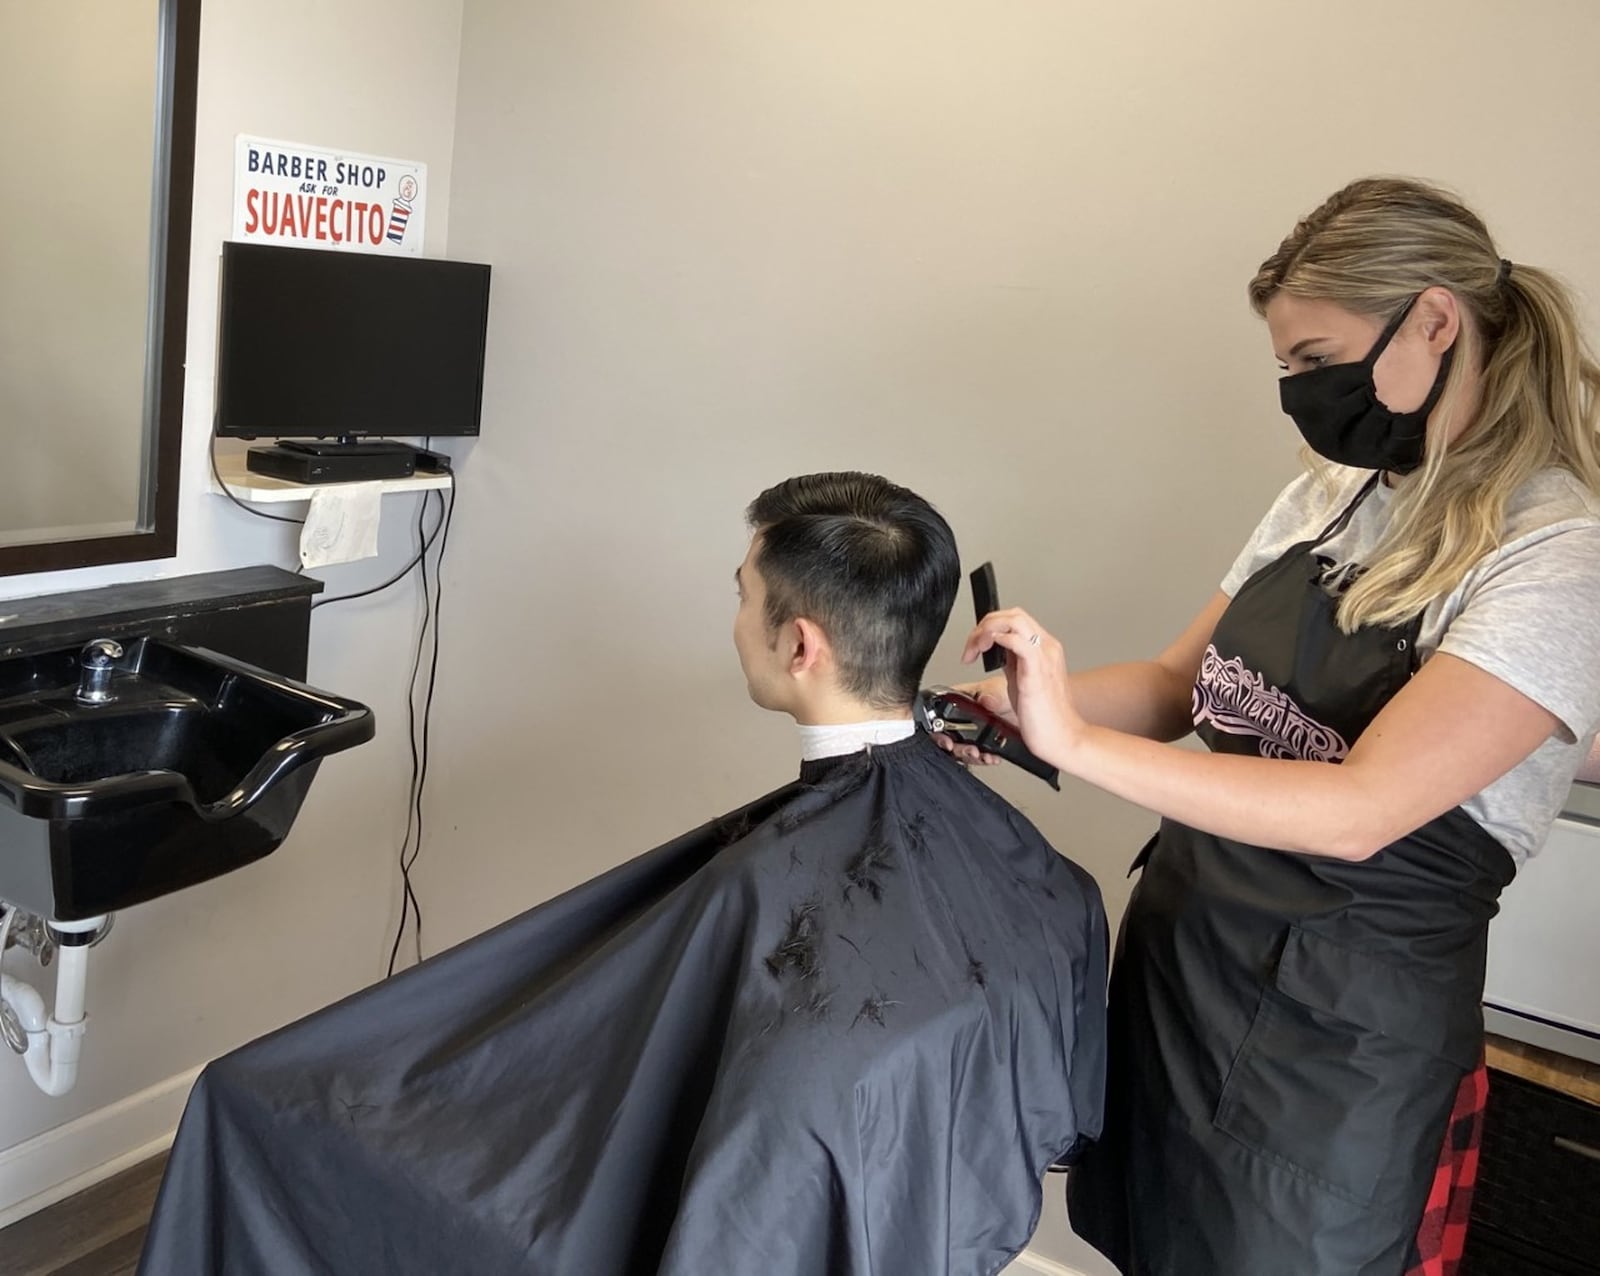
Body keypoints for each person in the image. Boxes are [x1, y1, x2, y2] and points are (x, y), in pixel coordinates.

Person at [141, 472, 1107, 1276]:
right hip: (943, 1228)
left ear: (801, 643)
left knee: (249, 1100)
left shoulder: (765, 893)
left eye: (742, 594)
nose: (734, 621)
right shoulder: (1045, 876)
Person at [945, 178, 1600, 1275]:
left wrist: (1073, 746)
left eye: (1312, 357)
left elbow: (1362, 810)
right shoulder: (1333, 492)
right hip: (1187, 960)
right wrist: (1012, 712)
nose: (1297, 390)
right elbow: (1171, 685)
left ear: (1434, 321)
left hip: (1339, 1043)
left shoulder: (1558, 557)